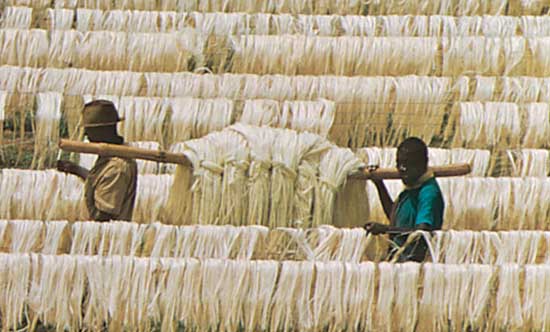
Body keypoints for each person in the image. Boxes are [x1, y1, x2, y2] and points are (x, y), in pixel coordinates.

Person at [364, 137, 444, 262]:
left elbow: (421, 233)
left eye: (408, 164)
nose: (402, 169)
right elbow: (393, 217)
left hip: (414, 266)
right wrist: (379, 184)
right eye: (399, 164)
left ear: (423, 164)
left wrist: (385, 229)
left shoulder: (428, 193)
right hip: (399, 261)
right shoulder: (410, 189)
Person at [57, 100, 138, 221]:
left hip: (106, 238)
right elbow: (101, 183)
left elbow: (103, 216)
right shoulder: (111, 157)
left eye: (89, 129)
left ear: (102, 130)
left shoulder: (117, 168)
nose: (85, 134)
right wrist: (77, 170)